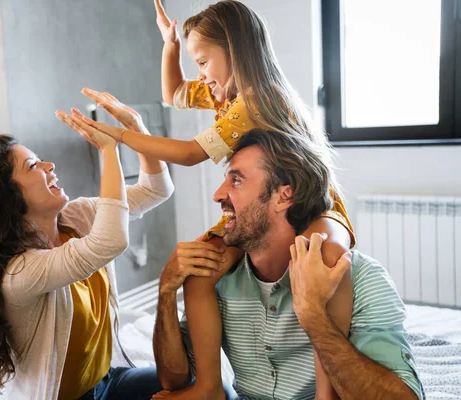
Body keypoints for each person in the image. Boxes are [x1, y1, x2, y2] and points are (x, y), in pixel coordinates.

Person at [72, 0, 355, 397]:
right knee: (201, 270)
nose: (200, 75)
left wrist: (117, 136)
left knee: (323, 260)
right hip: (262, 209)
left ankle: (328, 393)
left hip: (312, 206)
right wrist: (171, 44)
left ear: (235, 52)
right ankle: (208, 387)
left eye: (203, 62)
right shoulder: (222, 92)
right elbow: (172, 93)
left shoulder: (257, 99)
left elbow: (190, 153)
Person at [152, 129, 424, 400]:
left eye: (236, 181)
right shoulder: (217, 278)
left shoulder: (362, 278)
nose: (218, 194)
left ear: (284, 196)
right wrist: (165, 291)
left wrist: (314, 316)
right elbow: (174, 380)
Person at [0, 106, 174, 400]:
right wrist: (108, 151)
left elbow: (156, 190)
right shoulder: (20, 272)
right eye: (32, 166)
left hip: (108, 381)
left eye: (41, 160)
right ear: (8, 197)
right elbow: (109, 242)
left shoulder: (77, 217)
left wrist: (136, 128)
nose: (49, 166)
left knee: (200, 382)